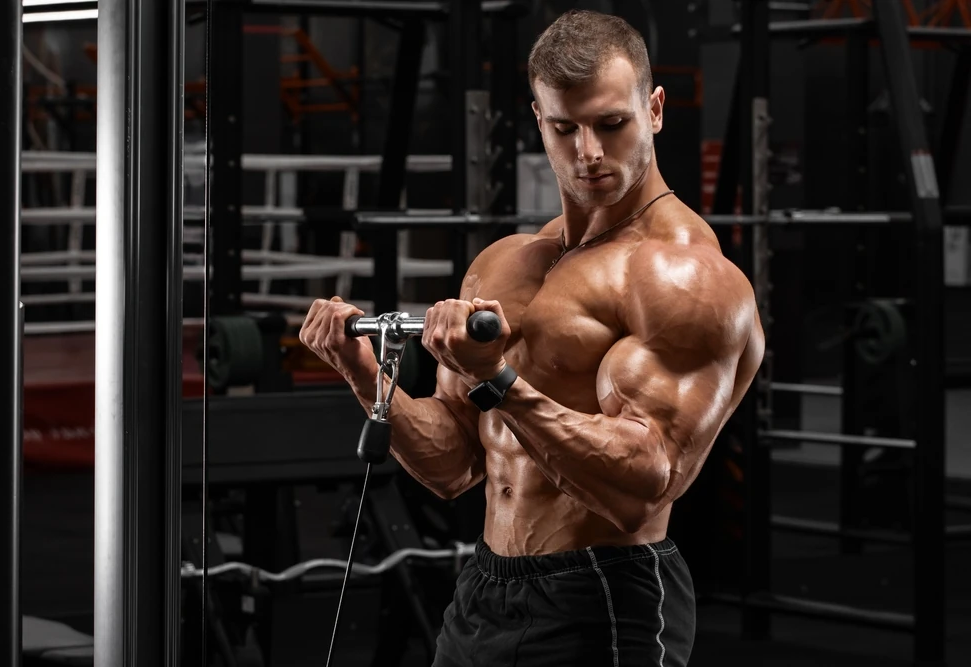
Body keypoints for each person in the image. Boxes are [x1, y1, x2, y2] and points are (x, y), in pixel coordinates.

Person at [300, 9, 764, 667]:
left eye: (612, 124)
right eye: (564, 128)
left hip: (603, 593)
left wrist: (498, 381)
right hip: (485, 587)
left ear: (654, 110)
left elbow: (641, 488)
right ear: (537, 119)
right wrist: (360, 367)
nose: (589, 153)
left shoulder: (681, 275)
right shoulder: (504, 262)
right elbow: (453, 464)